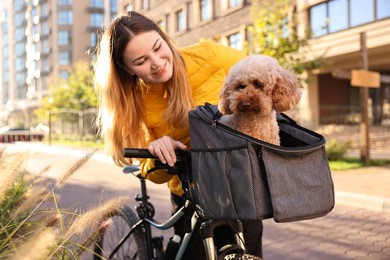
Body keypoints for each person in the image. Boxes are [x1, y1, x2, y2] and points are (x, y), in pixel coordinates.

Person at [93, 11, 263, 259]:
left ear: (164, 37)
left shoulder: (209, 54)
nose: (157, 62)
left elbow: (263, 79)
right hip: (188, 191)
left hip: (240, 183)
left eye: (157, 47)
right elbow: (153, 173)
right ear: (126, 69)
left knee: (250, 253)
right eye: (140, 61)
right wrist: (158, 150)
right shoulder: (135, 103)